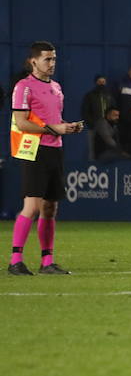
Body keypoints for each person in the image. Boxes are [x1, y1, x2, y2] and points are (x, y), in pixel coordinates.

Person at [9, 41, 83, 275]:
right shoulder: (24, 87)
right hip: (34, 150)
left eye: (54, 59)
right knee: (31, 206)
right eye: (47, 59)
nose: (52, 64)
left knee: (50, 208)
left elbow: (53, 120)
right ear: (33, 61)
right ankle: (15, 260)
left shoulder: (57, 87)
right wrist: (55, 129)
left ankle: (47, 262)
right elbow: (21, 123)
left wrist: (67, 128)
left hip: (55, 149)